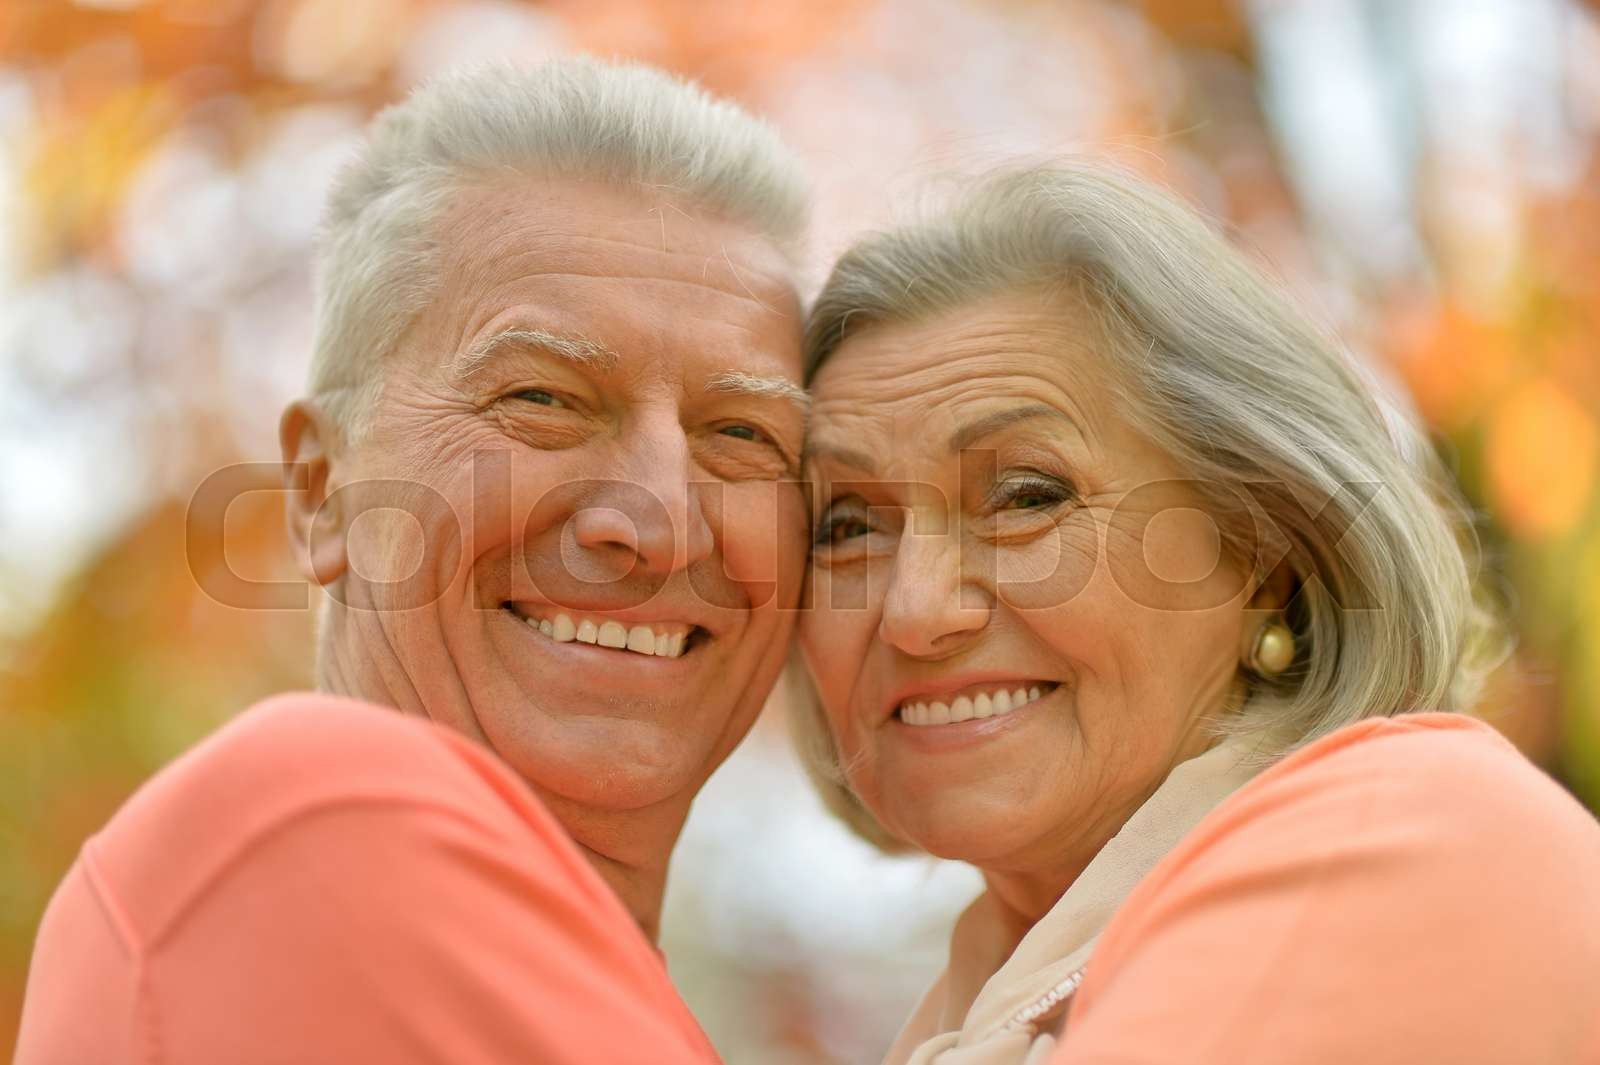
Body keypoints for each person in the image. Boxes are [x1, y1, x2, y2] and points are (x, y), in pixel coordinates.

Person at [17, 57, 810, 1064]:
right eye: (542, 399)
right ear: (318, 491)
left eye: (742, 434)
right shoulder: (312, 815)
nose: (658, 523)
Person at [793, 162, 1600, 1065]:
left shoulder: (1402, 835)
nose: (914, 609)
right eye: (847, 525)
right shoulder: (988, 1005)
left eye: (1025, 495)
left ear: (1269, 549)